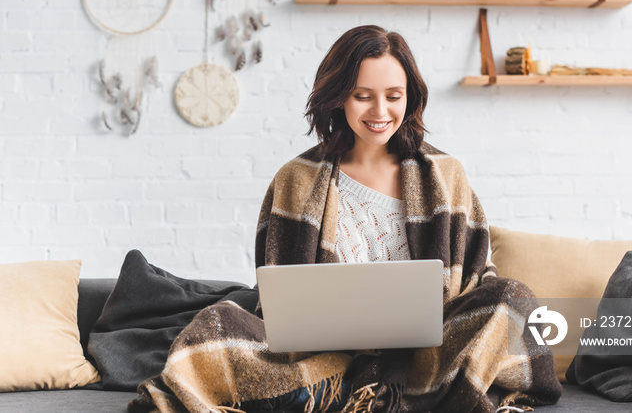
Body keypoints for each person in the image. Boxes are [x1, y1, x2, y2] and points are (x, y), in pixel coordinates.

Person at [131, 26, 561, 413]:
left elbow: (475, 277)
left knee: (510, 297)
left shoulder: (446, 175)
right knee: (215, 325)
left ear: (410, 96)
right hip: (322, 357)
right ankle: (389, 397)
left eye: (394, 96)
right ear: (338, 96)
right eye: (363, 95)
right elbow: (276, 294)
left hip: (432, 352)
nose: (380, 110)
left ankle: (377, 395)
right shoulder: (296, 180)